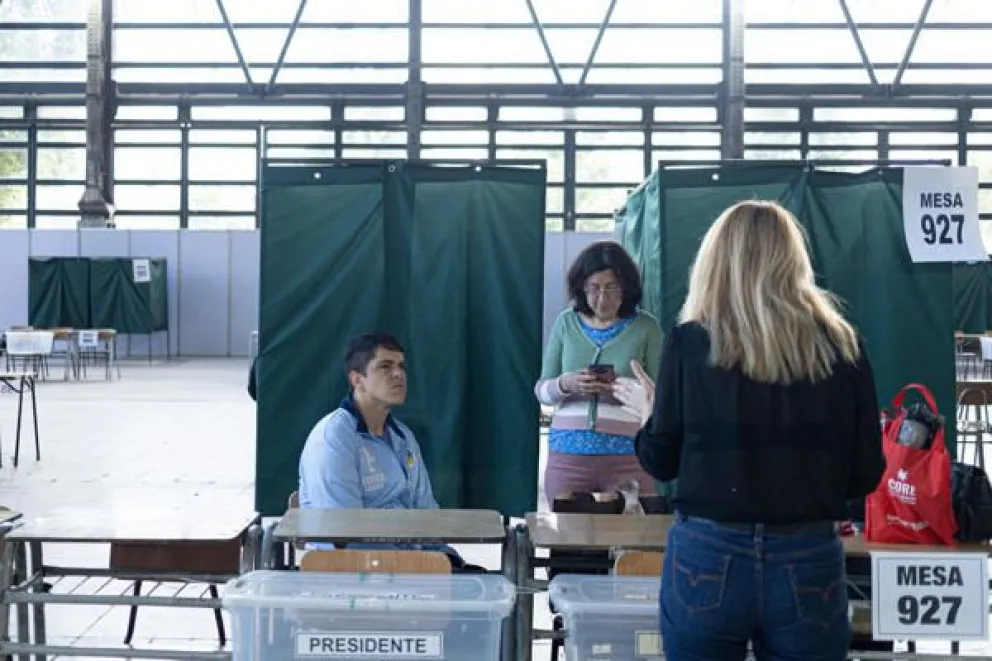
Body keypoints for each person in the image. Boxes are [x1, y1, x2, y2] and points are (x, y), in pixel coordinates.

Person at [614, 200, 885, 661]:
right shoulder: (841, 345)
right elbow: (865, 475)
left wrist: (650, 413)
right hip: (808, 553)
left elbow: (660, 461)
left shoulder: (689, 344)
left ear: (715, 262)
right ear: (795, 260)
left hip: (708, 552)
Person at [297, 332, 480, 572]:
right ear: (357, 380)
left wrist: (446, 559)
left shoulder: (403, 436)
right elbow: (343, 534)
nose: (398, 374)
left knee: (491, 588)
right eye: (385, 366)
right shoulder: (333, 438)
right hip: (353, 573)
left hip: (410, 565)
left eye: (401, 366)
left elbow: (427, 516)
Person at [535, 240, 664, 505]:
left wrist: (626, 390)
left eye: (611, 288)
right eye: (593, 289)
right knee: (568, 542)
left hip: (629, 456)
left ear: (626, 288)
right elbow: (542, 391)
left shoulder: (646, 328)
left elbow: (662, 397)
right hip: (568, 456)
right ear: (581, 288)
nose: (602, 298)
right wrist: (566, 384)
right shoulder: (566, 323)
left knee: (631, 543)